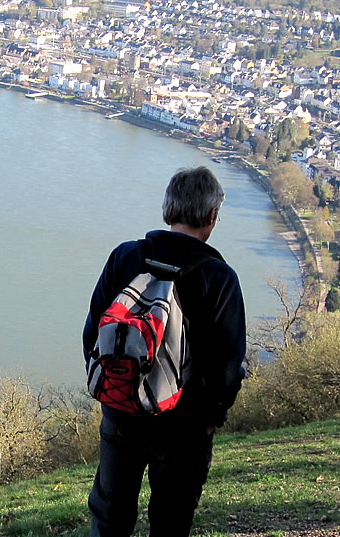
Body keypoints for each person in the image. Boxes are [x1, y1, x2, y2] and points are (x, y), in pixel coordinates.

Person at [83, 166, 246, 537]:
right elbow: (227, 367)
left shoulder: (124, 257)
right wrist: (211, 417)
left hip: (122, 410)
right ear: (212, 216)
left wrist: (114, 392)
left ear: (166, 210)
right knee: (171, 521)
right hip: (184, 426)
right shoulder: (219, 278)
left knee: (109, 516)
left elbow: (93, 334)